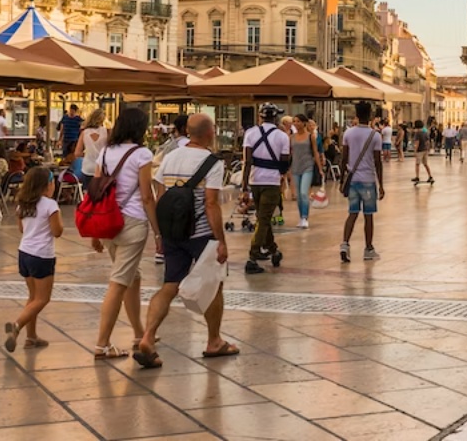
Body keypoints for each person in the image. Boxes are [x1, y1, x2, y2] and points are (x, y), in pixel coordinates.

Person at [137, 113, 236, 367]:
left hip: (172, 232)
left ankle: (147, 337)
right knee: (214, 286)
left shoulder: (170, 157)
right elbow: (211, 204)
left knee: (170, 284)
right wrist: (221, 240)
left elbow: (160, 197)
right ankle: (214, 341)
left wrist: (160, 234)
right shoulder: (212, 161)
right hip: (201, 233)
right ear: (209, 133)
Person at [88, 107, 157, 359]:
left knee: (132, 277)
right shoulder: (142, 154)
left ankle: (140, 332)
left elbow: (95, 191)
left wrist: (95, 231)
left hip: (108, 221)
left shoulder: (105, 152)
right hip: (133, 222)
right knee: (119, 282)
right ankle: (102, 344)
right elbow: (147, 196)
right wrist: (158, 232)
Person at [4, 166, 62, 353]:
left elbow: (22, 229)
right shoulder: (50, 205)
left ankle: (31, 337)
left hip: (24, 253)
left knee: (32, 297)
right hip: (42, 255)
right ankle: (17, 326)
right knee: (42, 299)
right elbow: (57, 231)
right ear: (47, 186)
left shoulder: (23, 204)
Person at [241, 105, 292, 275]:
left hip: (254, 180)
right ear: (276, 118)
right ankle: (252, 257)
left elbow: (247, 161)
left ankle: (273, 250)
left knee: (263, 217)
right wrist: (283, 174)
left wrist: (244, 186)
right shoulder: (282, 136)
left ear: (260, 117)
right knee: (263, 218)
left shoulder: (250, 133)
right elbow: (285, 161)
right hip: (272, 182)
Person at [340, 101, 384, 262]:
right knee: (368, 216)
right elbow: (378, 162)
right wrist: (381, 185)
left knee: (352, 213)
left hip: (352, 179)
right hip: (368, 180)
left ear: (356, 115)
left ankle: (345, 244)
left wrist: (341, 181)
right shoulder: (375, 135)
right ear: (371, 116)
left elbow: (343, 158)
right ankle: (368, 248)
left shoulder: (348, 134)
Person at [289, 115, 326, 229]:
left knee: (304, 193)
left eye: (298, 121)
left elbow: (315, 152)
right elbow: (289, 153)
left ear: (304, 123)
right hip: (295, 167)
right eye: (294, 121)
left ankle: (305, 217)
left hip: (307, 166)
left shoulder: (311, 137)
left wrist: (320, 168)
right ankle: (301, 217)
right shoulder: (291, 137)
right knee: (298, 195)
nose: (296, 123)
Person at [73, 107, 107, 190]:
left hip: (87, 167)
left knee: (88, 194)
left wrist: (87, 153)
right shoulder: (106, 132)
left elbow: (77, 153)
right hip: (101, 168)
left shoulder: (84, 133)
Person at [411, 120, 434, 185]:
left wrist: (415, 151)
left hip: (419, 150)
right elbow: (427, 142)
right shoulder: (425, 132)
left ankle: (417, 177)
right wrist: (428, 149)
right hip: (425, 150)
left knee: (417, 164)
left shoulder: (417, 133)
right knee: (425, 164)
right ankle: (430, 176)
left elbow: (417, 143)